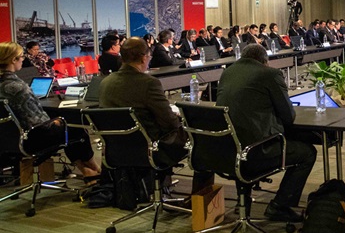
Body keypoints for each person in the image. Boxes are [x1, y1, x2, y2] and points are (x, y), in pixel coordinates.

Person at [216, 44, 316, 222]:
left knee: (242, 136)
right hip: (257, 150)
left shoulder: (228, 72)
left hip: (227, 149)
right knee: (307, 153)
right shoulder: (270, 74)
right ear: (264, 61)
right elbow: (288, 116)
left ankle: (243, 202)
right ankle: (280, 206)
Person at [99, 37, 212, 190]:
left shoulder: (105, 82)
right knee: (203, 138)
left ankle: (162, 184)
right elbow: (169, 122)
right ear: (143, 57)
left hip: (115, 149)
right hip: (151, 148)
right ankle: (201, 197)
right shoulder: (149, 83)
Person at [0, 42, 102, 185]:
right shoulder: (18, 87)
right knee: (75, 129)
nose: (23, 59)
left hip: (7, 140)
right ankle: (94, 170)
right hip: (31, 140)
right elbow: (37, 120)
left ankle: (88, 171)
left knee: (67, 130)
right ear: (13, 60)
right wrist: (56, 121)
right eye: (21, 57)